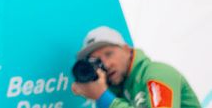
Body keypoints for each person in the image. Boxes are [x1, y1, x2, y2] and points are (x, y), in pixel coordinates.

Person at [71, 26, 201, 108]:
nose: (106, 64)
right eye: (97, 61)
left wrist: (104, 98)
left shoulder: (157, 73)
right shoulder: (116, 91)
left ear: (127, 49)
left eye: (109, 54)